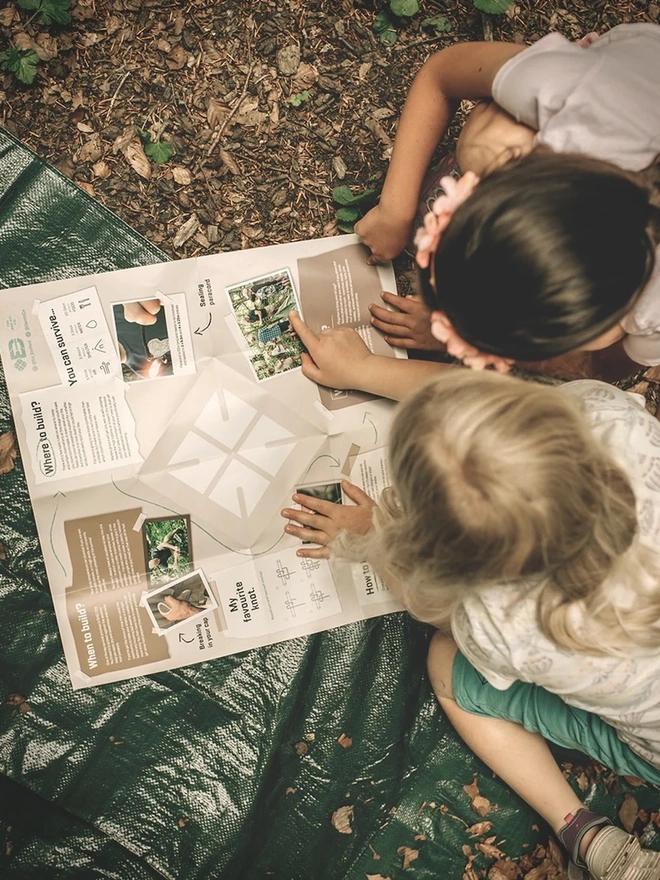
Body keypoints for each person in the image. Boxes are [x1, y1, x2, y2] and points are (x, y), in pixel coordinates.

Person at [281, 369, 660, 880]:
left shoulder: (497, 624)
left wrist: (373, 536)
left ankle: (577, 827)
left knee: (446, 664)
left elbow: (434, 608)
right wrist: (367, 366)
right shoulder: (611, 419)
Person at [352, 25, 660, 372]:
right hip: (628, 83)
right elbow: (443, 74)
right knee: (485, 146)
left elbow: (604, 364)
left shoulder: (653, 313)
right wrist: (396, 208)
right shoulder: (575, 94)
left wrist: (457, 336)